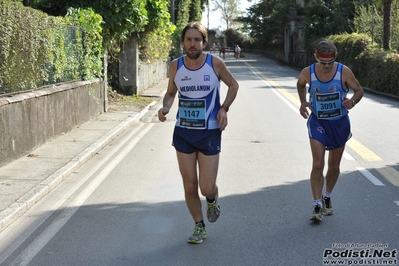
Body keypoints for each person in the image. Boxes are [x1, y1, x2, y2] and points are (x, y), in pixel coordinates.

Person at [158, 22, 239, 243]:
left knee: (205, 187)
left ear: (204, 42)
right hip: (184, 132)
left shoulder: (215, 63)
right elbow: (170, 93)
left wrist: (224, 108)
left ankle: (212, 198)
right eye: (188, 40)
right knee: (190, 184)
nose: (192, 44)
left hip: (209, 133)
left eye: (197, 40)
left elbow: (233, 85)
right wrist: (166, 106)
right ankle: (199, 226)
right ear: (183, 42)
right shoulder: (176, 65)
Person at [296, 40, 364, 222]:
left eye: (330, 63)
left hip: (339, 123)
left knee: (333, 166)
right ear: (315, 57)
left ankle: (327, 196)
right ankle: (317, 204)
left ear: (335, 58)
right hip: (318, 122)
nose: (326, 66)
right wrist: (303, 102)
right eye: (322, 62)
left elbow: (359, 90)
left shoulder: (344, 72)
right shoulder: (308, 72)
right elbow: (300, 84)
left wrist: (353, 101)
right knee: (318, 164)